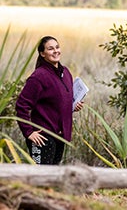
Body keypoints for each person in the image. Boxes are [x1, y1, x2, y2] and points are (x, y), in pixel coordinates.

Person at [16, 36, 84, 165]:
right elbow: (21, 105)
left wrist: (73, 106)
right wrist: (28, 132)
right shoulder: (38, 77)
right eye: (50, 49)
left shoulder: (66, 72)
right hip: (42, 137)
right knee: (40, 178)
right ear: (42, 54)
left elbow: (59, 103)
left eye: (57, 47)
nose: (55, 51)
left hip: (60, 136)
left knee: (52, 178)